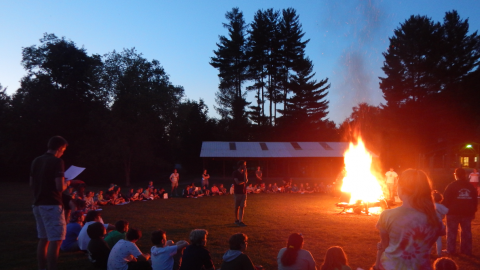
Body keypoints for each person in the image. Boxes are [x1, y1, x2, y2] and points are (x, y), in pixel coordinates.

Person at [374, 169, 440, 270]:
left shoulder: (387, 215)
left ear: (401, 189)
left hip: (391, 266)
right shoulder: (434, 218)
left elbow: (384, 246)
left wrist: (376, 266)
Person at [30, 136, 69, 270]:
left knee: (43, 238)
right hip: (52, 205)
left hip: (38, 204)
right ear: (60, 148)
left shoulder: (36, 160)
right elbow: (59, 187)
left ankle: (42, 268)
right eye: (63, 150)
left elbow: (31, 183)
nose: (63, 153)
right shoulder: (57, 162)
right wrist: (67, 183)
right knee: (56, 239)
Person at [443, 167, 478, 256]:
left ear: (455, 175)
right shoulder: (470, 186)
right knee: (466, 232)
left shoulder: (452, 185)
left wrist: (444, 209)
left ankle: (450, 250)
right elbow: (475, 200)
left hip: (453, 213)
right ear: (465, 175)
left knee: (451, 232)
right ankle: (466, 250)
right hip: (467, 213)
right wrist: (473, 211)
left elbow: (446, 199)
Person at [432, 190, 448, 257]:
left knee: (430, 239)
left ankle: (429, 252)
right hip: (439, 224)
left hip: (431, 224)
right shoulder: (441, 206)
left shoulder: (429, 206)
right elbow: (446, 211)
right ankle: (439, 253)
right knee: (438, 240)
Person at [233, 160, 248, 226]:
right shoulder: (235, 173)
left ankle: (240, 221)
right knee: (237, 207)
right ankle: (236, 220)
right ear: (240, 165)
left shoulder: (245, 172)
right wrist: (244, 181)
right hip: (237, 192)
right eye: (244, 164)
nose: (245, 166)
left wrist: (245, 173)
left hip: (244, 192)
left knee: (242, 207)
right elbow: (237, 182)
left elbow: (246, 180)